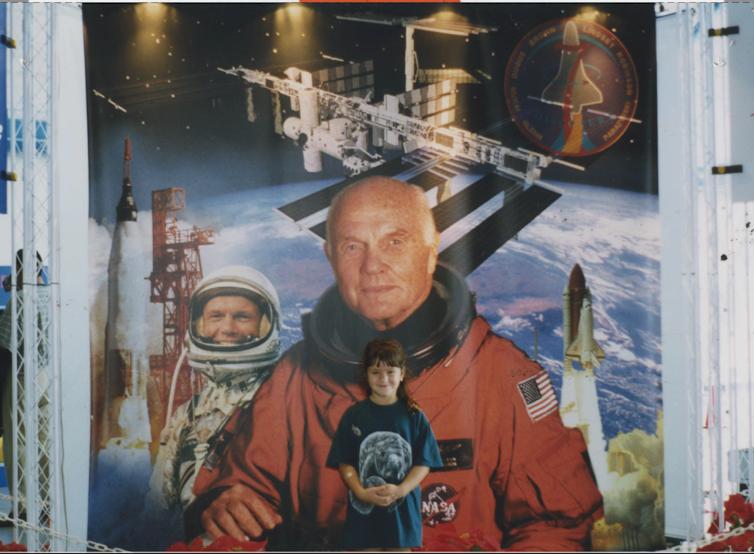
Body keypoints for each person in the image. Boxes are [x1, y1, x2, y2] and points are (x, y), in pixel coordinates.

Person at [185, 177, 604, 550]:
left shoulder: (503, 377)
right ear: (331, 257)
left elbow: (557, 528)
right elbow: (242, 492)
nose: (372, 266)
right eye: (353, 247)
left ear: (430, 250)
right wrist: (226, 502)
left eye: (394, 242)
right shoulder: (295, 376)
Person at [145, 265, 282, 530]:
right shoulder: (188, 415)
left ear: (266, 325)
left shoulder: (289, 402)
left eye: (242, 316)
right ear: (199, 325)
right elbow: (157, 508)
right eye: (216, 316)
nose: (227, 328)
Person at [326, 339, 443, 551]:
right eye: (375, 372)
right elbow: (345, 462)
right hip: (364, 517)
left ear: (402, 373)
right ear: (366, 375)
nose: (383, 378)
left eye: (390, 371)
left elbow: (423, 462)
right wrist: (361, 493)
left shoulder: (414, 415)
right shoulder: (353, 415)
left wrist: (401, 490)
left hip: (402, 515)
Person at [0, 250, 48, 525]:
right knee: (44, 441)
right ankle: (46, 504)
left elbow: (4, 346)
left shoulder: (20, 300)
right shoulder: (54, 299)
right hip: (51, 380)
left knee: (18, 441)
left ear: (20, 270)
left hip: (23, 377)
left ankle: (22, 508)